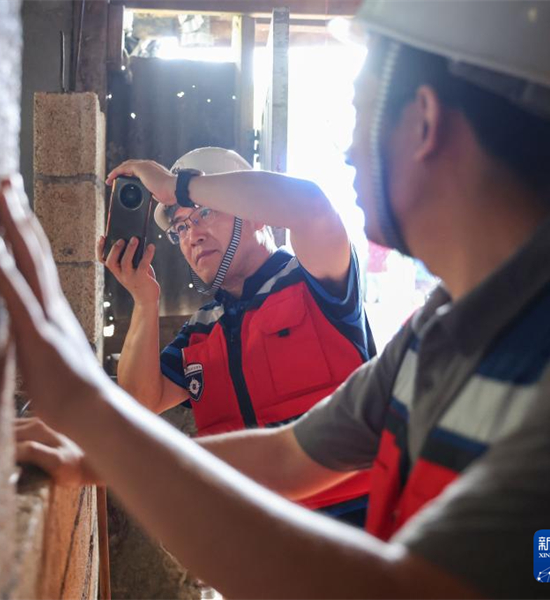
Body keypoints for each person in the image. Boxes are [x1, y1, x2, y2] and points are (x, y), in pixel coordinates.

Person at [0, 1, 550, 597]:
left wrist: (82, 407)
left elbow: (410, 587)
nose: (347, 152)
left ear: (423, 121)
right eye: (178, 225)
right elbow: (289, 455)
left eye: (360, 118)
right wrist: (95, 452)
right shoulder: (439, 332)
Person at [98, 147, 375, 524]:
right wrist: (144, 302)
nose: (191, 235)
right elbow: (139, 401)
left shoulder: (319, 283)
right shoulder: (201, 330)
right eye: (180, 227)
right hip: (256, 556)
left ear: (257, 217)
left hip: (359, 543)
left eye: (204, 213)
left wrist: (175, 186)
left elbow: (311, 208)